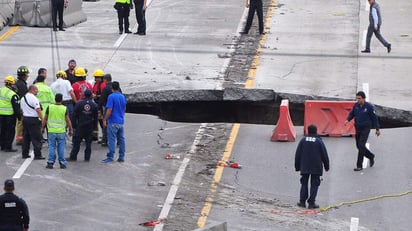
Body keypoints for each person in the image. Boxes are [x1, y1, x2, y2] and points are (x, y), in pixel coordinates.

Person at [295, 124, 329, 209]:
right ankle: (311, 203)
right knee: (314, 184)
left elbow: (298, 154)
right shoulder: (319, 141)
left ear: (308, 131)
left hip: (305, 166)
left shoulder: (303, 140)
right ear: (316, 131)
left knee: (304, 183)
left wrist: (297, 166)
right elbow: (324, 154)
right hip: (316, 166)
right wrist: (326, 166)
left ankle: (302, 201)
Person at [345, 91, 380, 171]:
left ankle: (359, 165)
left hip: (366, 128)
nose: (358, 100)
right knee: (358, 146)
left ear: (364, 98)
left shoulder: (369, 107)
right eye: (357, 98)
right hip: (358, 128)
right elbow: (352, 114)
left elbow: (374, 118)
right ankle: (371, 156)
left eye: (359, 98)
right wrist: (348, 120)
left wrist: (377, 129)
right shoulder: (356, 106)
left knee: (361, 145)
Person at [42, 93, 73, 169]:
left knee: (51, 147)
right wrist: (70, 129)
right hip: (61, 131)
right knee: (61, 147)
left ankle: (50, 162)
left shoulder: (50, 107)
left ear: (55, 99)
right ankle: (62, 163)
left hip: (51, 131)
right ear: (61, 100)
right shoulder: (64, 108)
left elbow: (45, 118)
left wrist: (42, 128)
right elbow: (68, 120)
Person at [68, 90, 98, 161]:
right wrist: (94, 126)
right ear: (91, 95)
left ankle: (73, 156)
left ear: (84, 95)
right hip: (89, 126)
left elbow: (74, 115)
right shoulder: (94, 105)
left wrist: (73, 125)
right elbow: (96, 117)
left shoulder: (79, 104)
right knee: (88, 144)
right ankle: (87, 158)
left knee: (77, 143)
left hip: (80, 126)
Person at [102, 81, 126, 163]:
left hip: (113, 121)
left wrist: (105, 119)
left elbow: (109, 109)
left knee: (111, 140)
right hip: (121, 121)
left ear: (112, 88)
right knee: (121, 139)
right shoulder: (122, 97)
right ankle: (121, 157)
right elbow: (124, 109)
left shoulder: (111, 97)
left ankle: (110, 157)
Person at [20, 85, 45, 160]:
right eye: (36, 90)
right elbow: (38, 110)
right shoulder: (34, 99)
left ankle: (25, 153)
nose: (37, 91)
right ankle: (37, 154)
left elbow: (21, 110)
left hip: (25, 119)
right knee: (36, 138)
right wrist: (43, 119)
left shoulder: (23, 98)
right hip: (33, 120)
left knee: (26, 137)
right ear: (32, 90)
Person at [0, 76, 21, 152]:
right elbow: (16, 108)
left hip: (1, 115)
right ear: (11, 84)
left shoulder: (1, 90)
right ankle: (8, 147)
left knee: (2, 130)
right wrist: (19, 118)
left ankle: (2, 146)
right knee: (10, 131)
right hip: (10, 116)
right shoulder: (13, 95)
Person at [15, 66, 30, 146]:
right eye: (27, 74)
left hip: (15, 106)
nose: (27, 76)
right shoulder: (22, 85)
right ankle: (20, 139)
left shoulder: (17, 83)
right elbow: (23, 97)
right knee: (20, 123)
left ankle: (20, 138)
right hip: (20, 107)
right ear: (24, 75)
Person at [92, 69, 106, 141]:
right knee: (95, 120)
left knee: (101, 120)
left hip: (100, 105)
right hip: (96, 104)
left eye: (97, 77)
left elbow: (103, 95)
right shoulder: (96, 84)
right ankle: (95, 136)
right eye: (95, 77)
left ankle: (104, 136)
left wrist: (96, 96)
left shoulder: (102, 85)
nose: (95, 79)